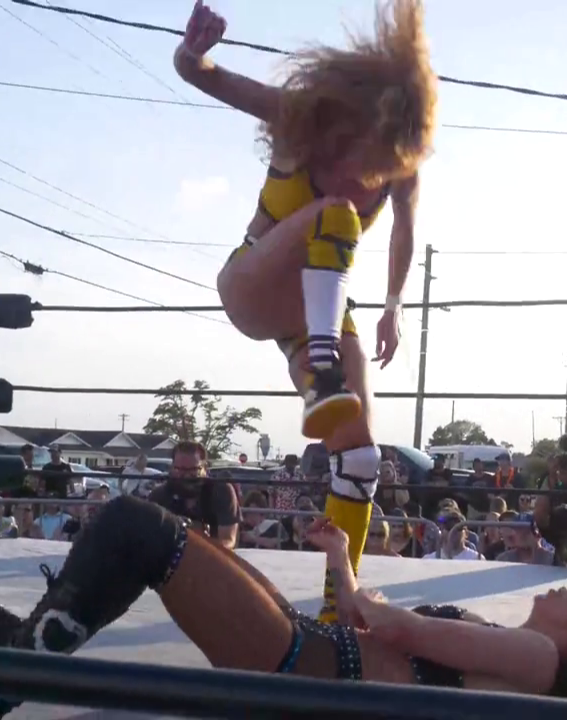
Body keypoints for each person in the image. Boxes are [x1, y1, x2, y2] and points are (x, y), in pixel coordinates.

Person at [174, 0, 435, 622]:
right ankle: (322, 373)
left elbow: (403, 231)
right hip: (254, 281)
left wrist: (393, 305)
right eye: (364, 158)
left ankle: (336, 609)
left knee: (362, 458)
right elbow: (200, 75)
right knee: (335, 214)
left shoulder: (401, 168)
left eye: (382, 168)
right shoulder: (299, 121)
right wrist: (194, 49)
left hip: (318, 309)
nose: (368, 176)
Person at [0, 497, 567, 717]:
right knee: (176, 542)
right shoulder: (516, 654)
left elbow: (396, 627)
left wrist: (377, 606)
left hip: (300, 665)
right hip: (308, 653)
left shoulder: (535, 658)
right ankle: (23, 645)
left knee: (142, 530)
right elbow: (369, 618)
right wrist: (341, 561)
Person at [146, 442, 240, 549]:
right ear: (172, 467)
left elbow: (228, 540)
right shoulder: (159, 495)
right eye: (180, 469)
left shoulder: (221, 491)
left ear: (205, 467)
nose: (186, 476)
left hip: (212, 555)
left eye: (193, 470)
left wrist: (200, 548)